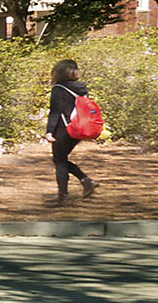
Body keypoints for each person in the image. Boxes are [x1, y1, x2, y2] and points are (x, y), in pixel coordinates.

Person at [46, 58, 99, 206]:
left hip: (64, 128)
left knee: (60, 161)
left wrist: (49, 131)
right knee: (60, 160)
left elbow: (55, 112)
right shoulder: (82, 88)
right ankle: (86, 181)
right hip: (79, 127)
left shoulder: (58, 89)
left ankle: (62, 197)